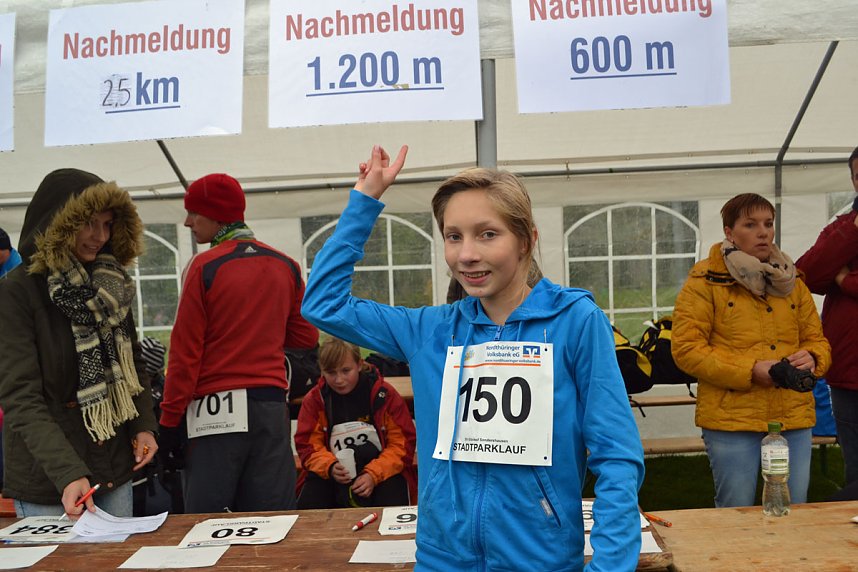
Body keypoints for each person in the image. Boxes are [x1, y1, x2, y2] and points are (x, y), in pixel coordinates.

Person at [301, 145, 645, 571]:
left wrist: (611, 566)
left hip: (541, 559)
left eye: (487, 234)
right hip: (442, 558)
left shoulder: (574, 321)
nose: (466, 254)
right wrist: (364, 201)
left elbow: (616, 455)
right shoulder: (429, 330)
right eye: (454, 236)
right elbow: (323, 304)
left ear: (526, 240)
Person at [0, 168, 158, 518]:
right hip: (49, 480)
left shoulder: (111, 285)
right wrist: (67, 472)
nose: (99, 236)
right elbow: (20, 397)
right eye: (88, 224)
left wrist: (144, 425)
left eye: (107, 224)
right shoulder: (16, 293)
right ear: (58, 223)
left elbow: (133, 363)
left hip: (113, 468)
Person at [158, 173, 319, 514]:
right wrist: (261, 331)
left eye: (193, 213)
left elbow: (185, 353)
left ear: (215, 215)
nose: (187, 222)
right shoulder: (286, 265)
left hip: (214, 409)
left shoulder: (203, 266)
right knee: (272, 520)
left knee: (206, 523)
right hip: (270, 405)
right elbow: (306, 337)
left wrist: (169, 421)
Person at [672, 193, 831, 508]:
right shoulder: (705, 282)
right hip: (732, 419)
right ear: (729, 232)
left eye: (768, 224)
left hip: (792, 417)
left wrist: (813, 357)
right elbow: (686, 349)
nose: (763, 232)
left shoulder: (792, 281)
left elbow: (818, 340)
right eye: (750, 224)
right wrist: (750, 370)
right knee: (736, 513)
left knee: (792, 509)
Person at [796, 146, 858, 490]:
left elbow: (830, 277)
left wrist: (845, 280)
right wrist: (854, 231)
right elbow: (807, 273)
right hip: (848, 370)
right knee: (856, 468)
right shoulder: (842, 227)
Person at [295, 337, 417, 509]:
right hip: (333, 472)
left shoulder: (384, 395)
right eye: (331, 372)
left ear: (359, 365)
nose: (339, 380)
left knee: (393, 495)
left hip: (382, 471)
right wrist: (330, 466)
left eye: (346, 371)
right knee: (312, 499)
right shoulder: (316, 399)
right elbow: (306, 445)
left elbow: (403, 445)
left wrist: (373, 474)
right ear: (321, 370)